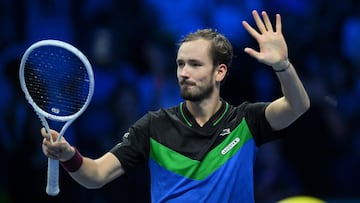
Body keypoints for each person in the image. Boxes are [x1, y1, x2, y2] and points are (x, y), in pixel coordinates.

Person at [41, 10, 310, 202]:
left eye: (195, 64)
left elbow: (297, 105)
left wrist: (281, 65)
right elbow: (96, 175)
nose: (184, 72)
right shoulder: (153, 126)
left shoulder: (246, 120)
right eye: (181, 64)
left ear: (220, 72)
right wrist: (68, 155)